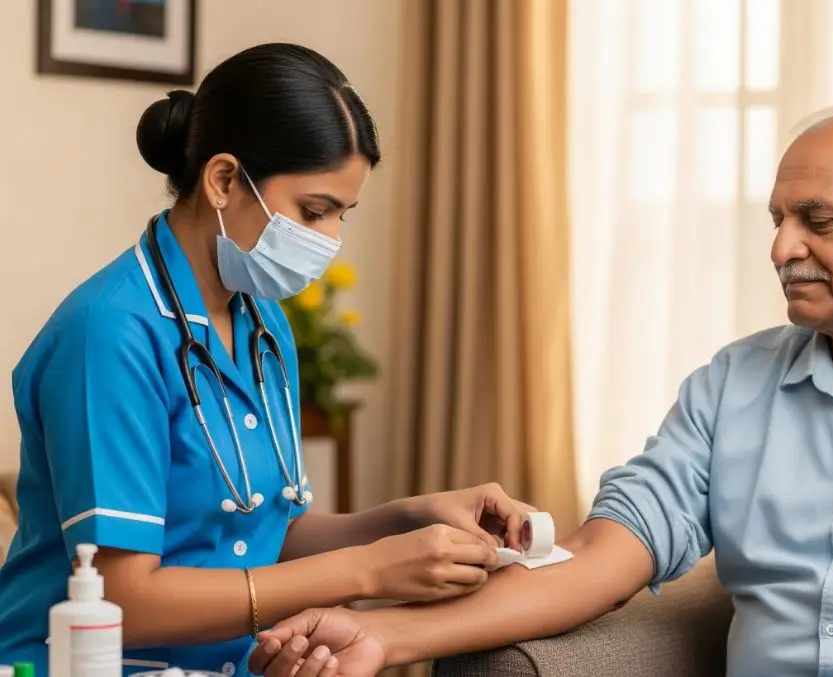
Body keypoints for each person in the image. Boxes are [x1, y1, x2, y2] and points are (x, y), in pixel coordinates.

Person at [247, 104, 833, 677]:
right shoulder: (732, 385)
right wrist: (383, 631)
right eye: (777, 220)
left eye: (818, 221)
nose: (781, 248)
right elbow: (599, 559)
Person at [0, 43, 531, 677]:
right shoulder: (109, 332)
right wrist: (368, 569)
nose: (329, 239)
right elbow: (121, 598)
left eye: (341, 214)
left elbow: (267, 530)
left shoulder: (262, 324)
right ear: (223, 180)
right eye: (313, 211)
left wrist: (411, 518)